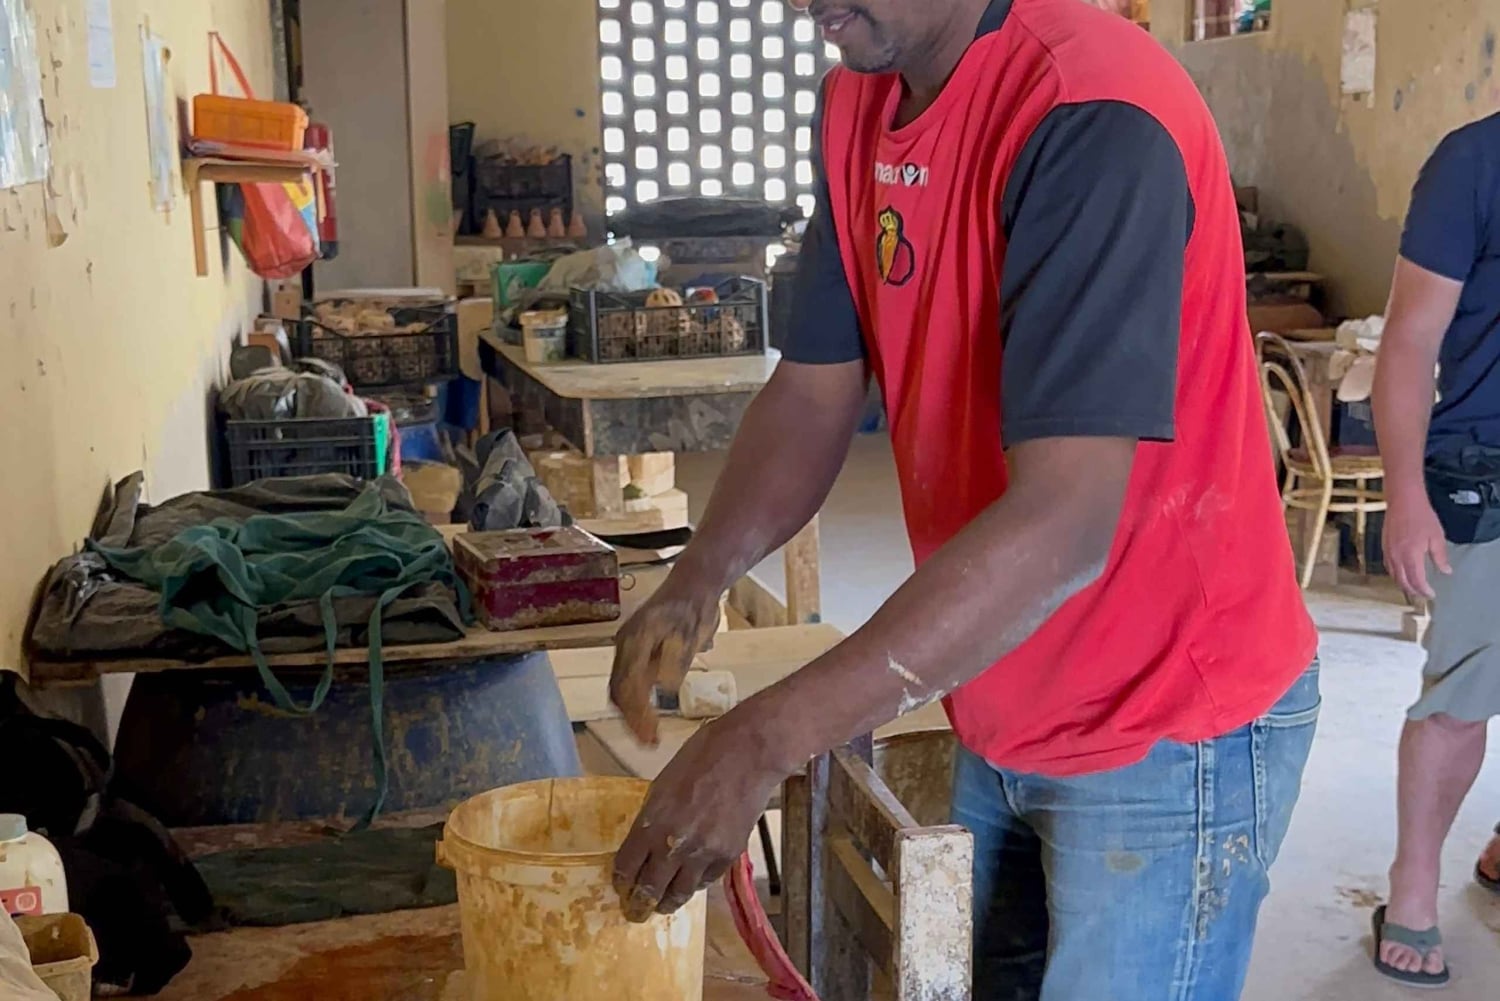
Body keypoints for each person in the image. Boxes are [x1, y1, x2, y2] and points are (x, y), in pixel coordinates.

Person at [608, 1, 1319, 997]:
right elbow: (815, 387)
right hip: (997, 678)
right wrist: (698, 575)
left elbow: (1063, 526)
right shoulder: (859, 99)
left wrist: (763, 736)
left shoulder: (1089, 112)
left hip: (1164, 717)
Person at [1372, 110, 1500, 989]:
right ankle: (1413, 889)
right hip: (1486, 468)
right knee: (1464, 690)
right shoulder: (1472, 162)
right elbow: (1411, 339)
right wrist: (1406, 492)